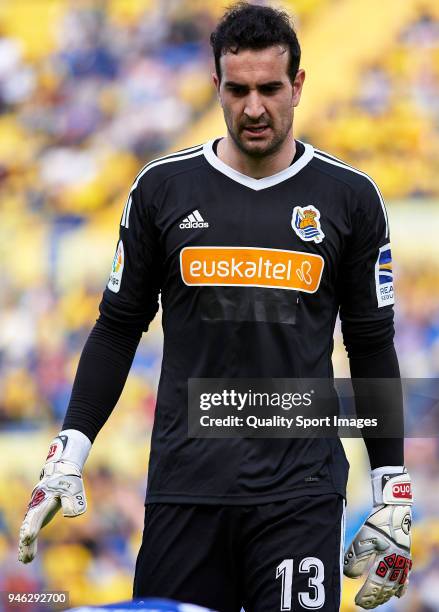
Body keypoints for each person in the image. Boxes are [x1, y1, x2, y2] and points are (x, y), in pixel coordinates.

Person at [18, 3, 413, 611]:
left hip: (299, 493)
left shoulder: (351, 198)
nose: (253, 108)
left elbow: (371, 342)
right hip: (185, 488)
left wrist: (392, 486)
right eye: (238, 90)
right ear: (215, 87)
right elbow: (118, 326)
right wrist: (69, 447)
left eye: (269, 89)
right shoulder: (161, 188)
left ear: (299, 86)